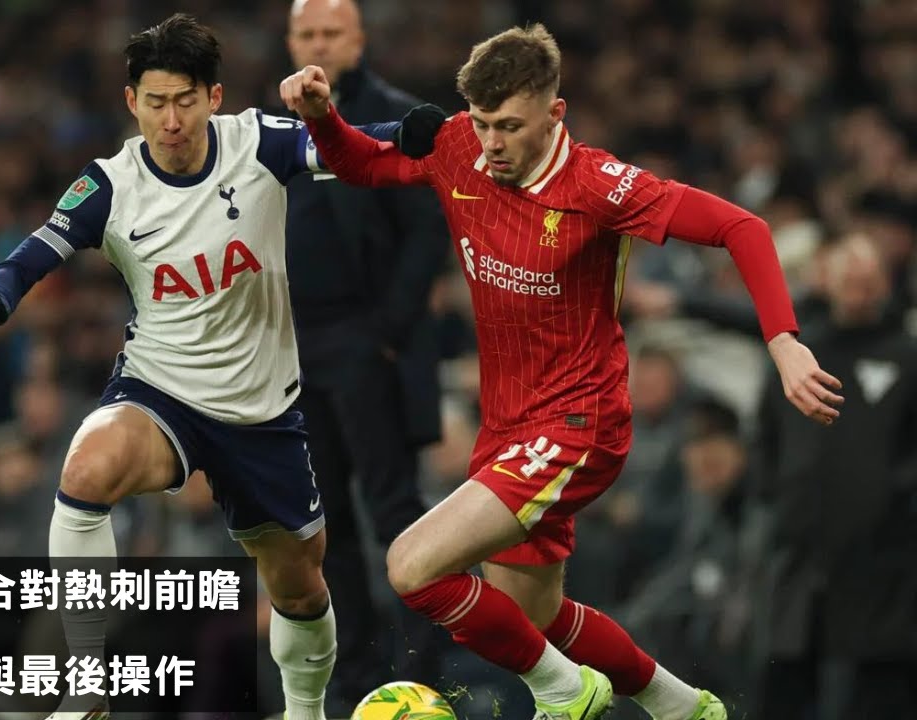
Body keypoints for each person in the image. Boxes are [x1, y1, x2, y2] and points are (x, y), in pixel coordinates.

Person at [280, 22, 844, 720]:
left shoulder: (598, 185)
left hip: (580, 421)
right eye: (482, 123)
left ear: (555, 113)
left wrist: (784, 342)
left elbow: (743, 228)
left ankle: (565, 690)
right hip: (507, 426)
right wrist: (322, 118)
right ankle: (683, 707)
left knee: (411, 566)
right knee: (531, 618)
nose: (492, 143)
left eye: (510, 126)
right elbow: (361, 163)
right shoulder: (457, 148)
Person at [0, 14, 403, 720]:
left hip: (261, 411)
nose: (171, 120)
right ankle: (87, 681)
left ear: (214, 98)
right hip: (162, 390)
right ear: (132, 103)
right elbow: (38, 248)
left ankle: (305, 712)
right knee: (85, 470)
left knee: (301, 588)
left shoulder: (259, 142)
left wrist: (422, 136)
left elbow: (358, 151)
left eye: (185, 100)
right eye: (156, 102)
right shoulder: (111, 184)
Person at [281, 0, 451, 709]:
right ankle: (352, 680)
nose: (318, 44)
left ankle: (424, 675)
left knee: (395, 511)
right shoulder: (276, 125)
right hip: (296, 348)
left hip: (366, 340)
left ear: (358, 40)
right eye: (307, 34)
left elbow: (428, 230)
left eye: (331, 33)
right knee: (324, 529)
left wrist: (387, 330)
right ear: (291, 42)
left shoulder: (397, 117)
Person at [751, 235, 917, 719]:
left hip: (884, 564)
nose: (858, 291)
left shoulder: (907, 357)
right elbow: (766, 433)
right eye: (849, 280)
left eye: (867, 281)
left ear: (885, 284)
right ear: (829, 282)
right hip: (799, 555)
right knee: (782, 682)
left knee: (874, 693)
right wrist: (775, 494)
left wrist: (895, 500)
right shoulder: (801, 354)